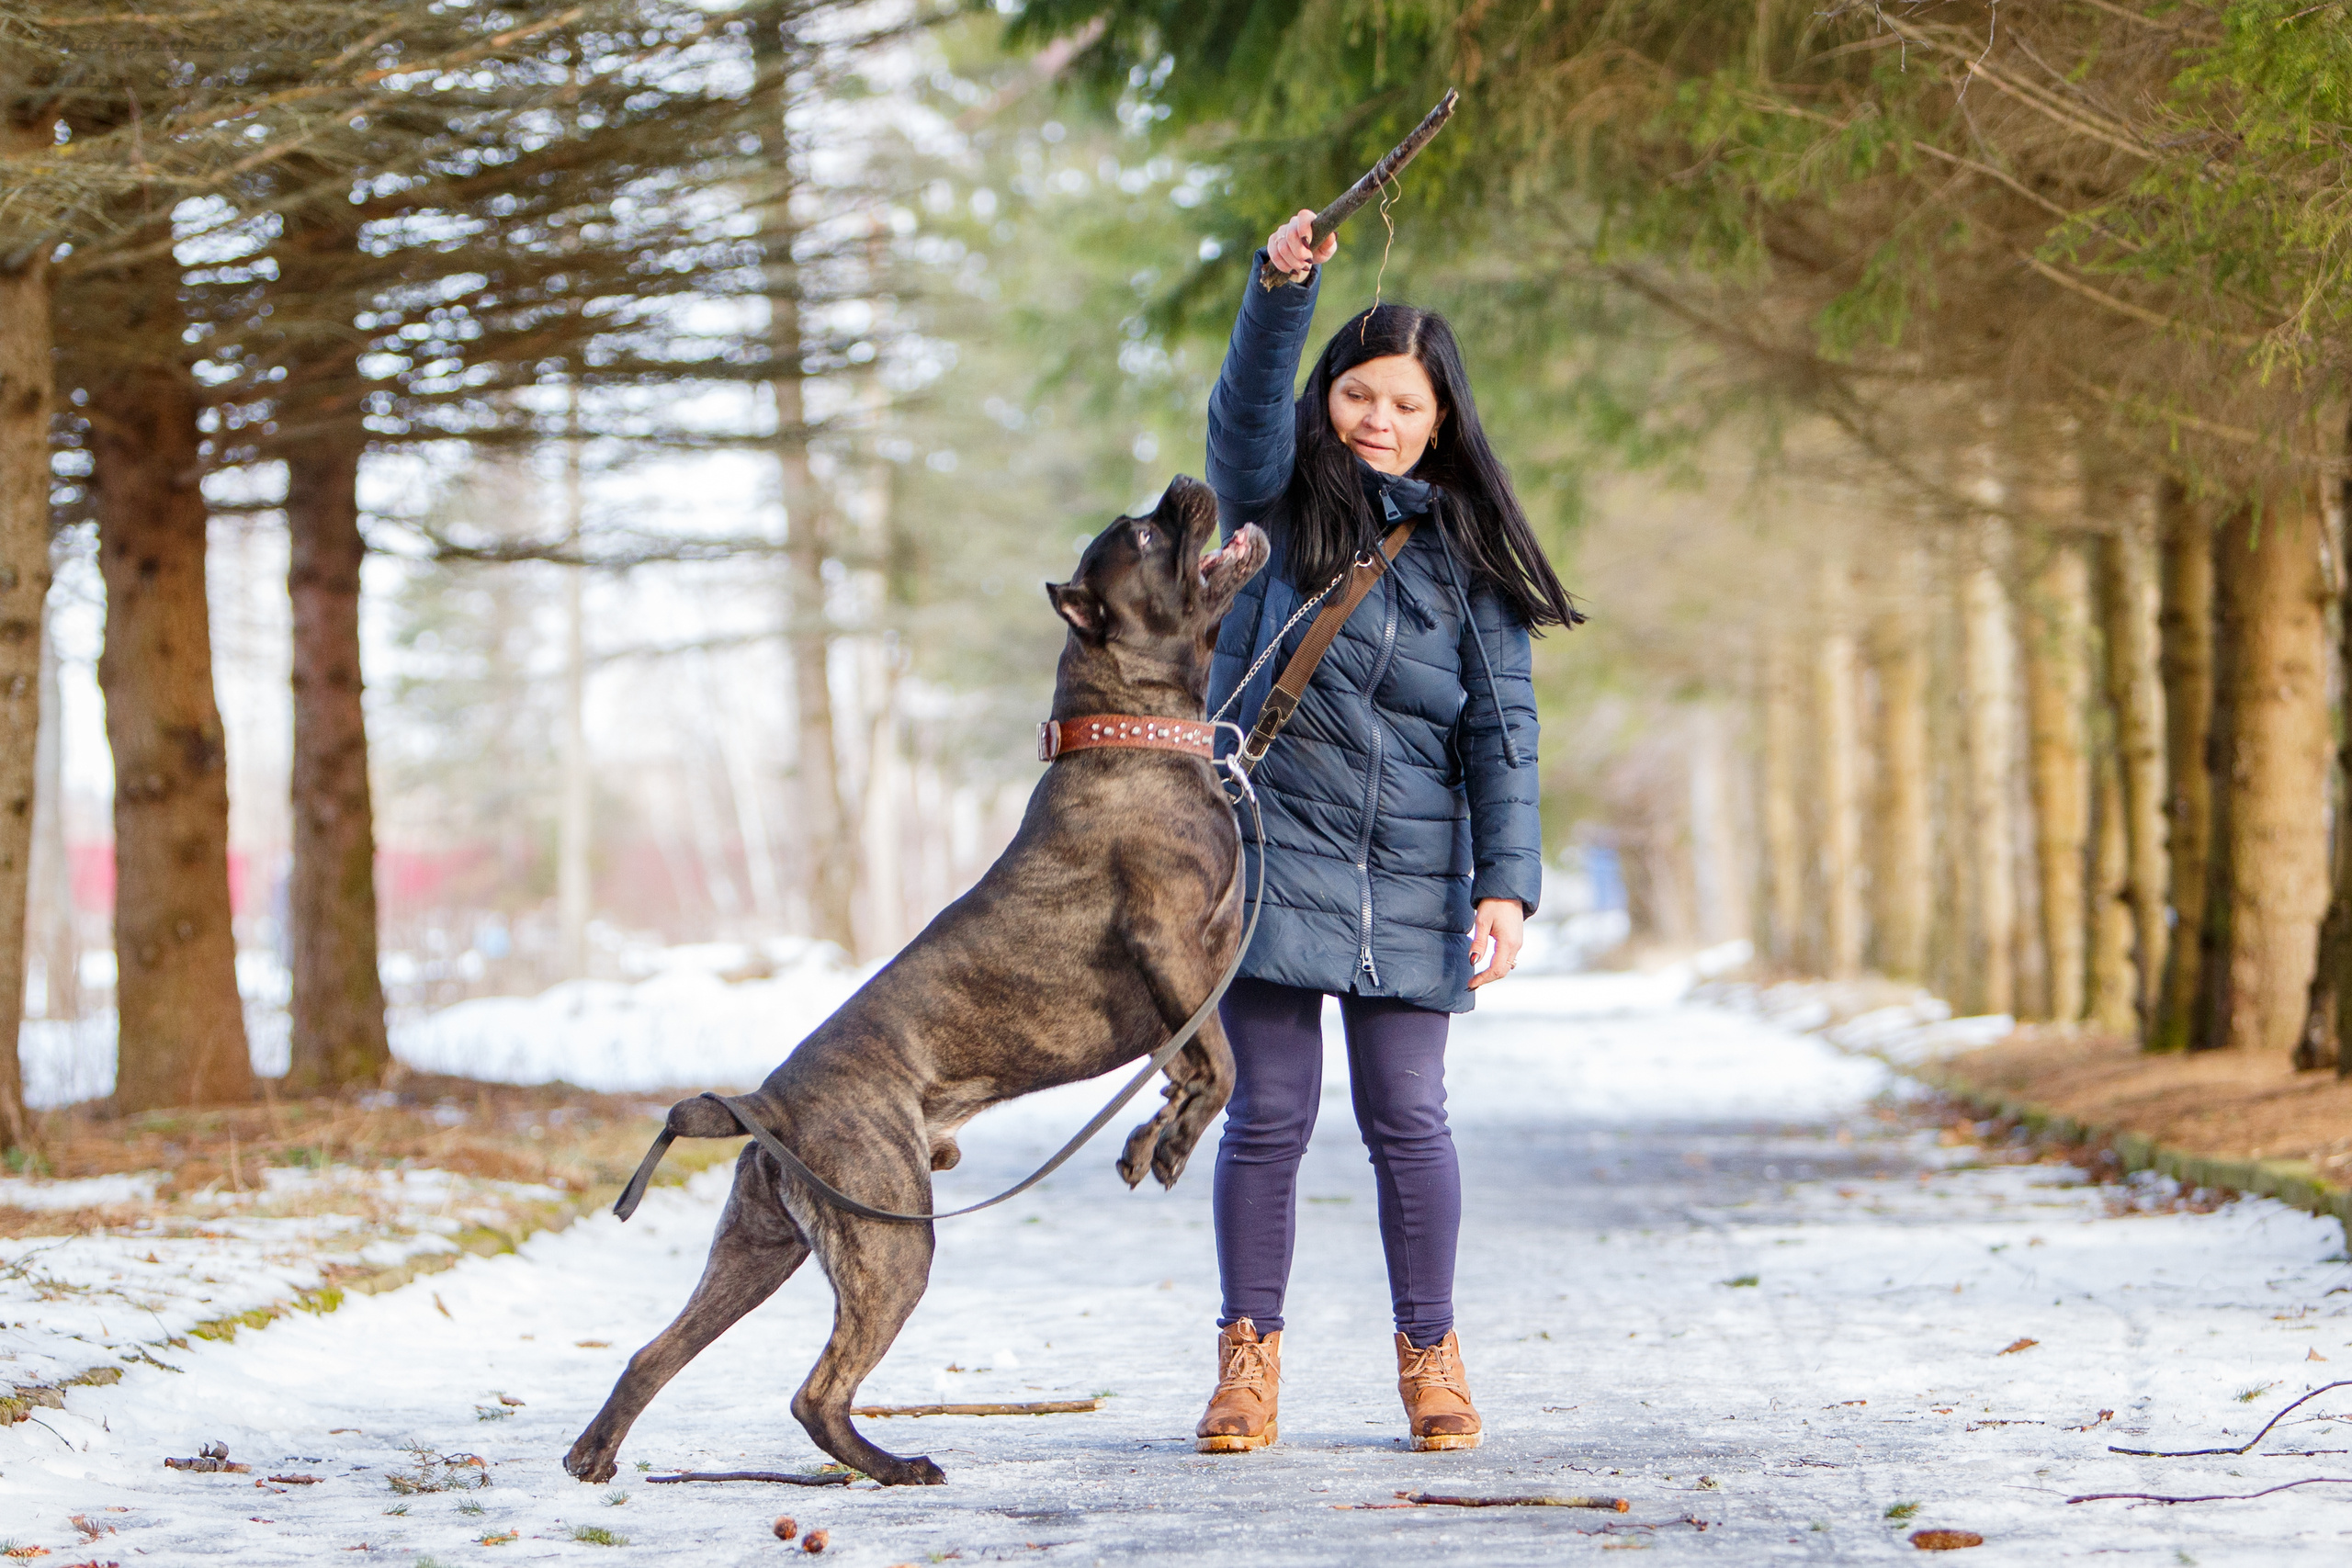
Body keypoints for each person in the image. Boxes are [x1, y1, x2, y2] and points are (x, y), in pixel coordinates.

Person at [1193, 209, 1578, 1455]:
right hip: (1267, 859)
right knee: (1269, 1118)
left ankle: (1431, 1355)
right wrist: (1279, 290)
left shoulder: (1469, 559)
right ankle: (1247, 1363)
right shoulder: (1274, 511)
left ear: (1441, 419)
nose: (1378, 420)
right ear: (1330, 404)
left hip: (1416, 874)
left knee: (1409, 1119)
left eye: (1403, 404)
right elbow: (1243, 415)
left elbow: (1503, 734)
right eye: (1357, 395)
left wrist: (1506, 886)